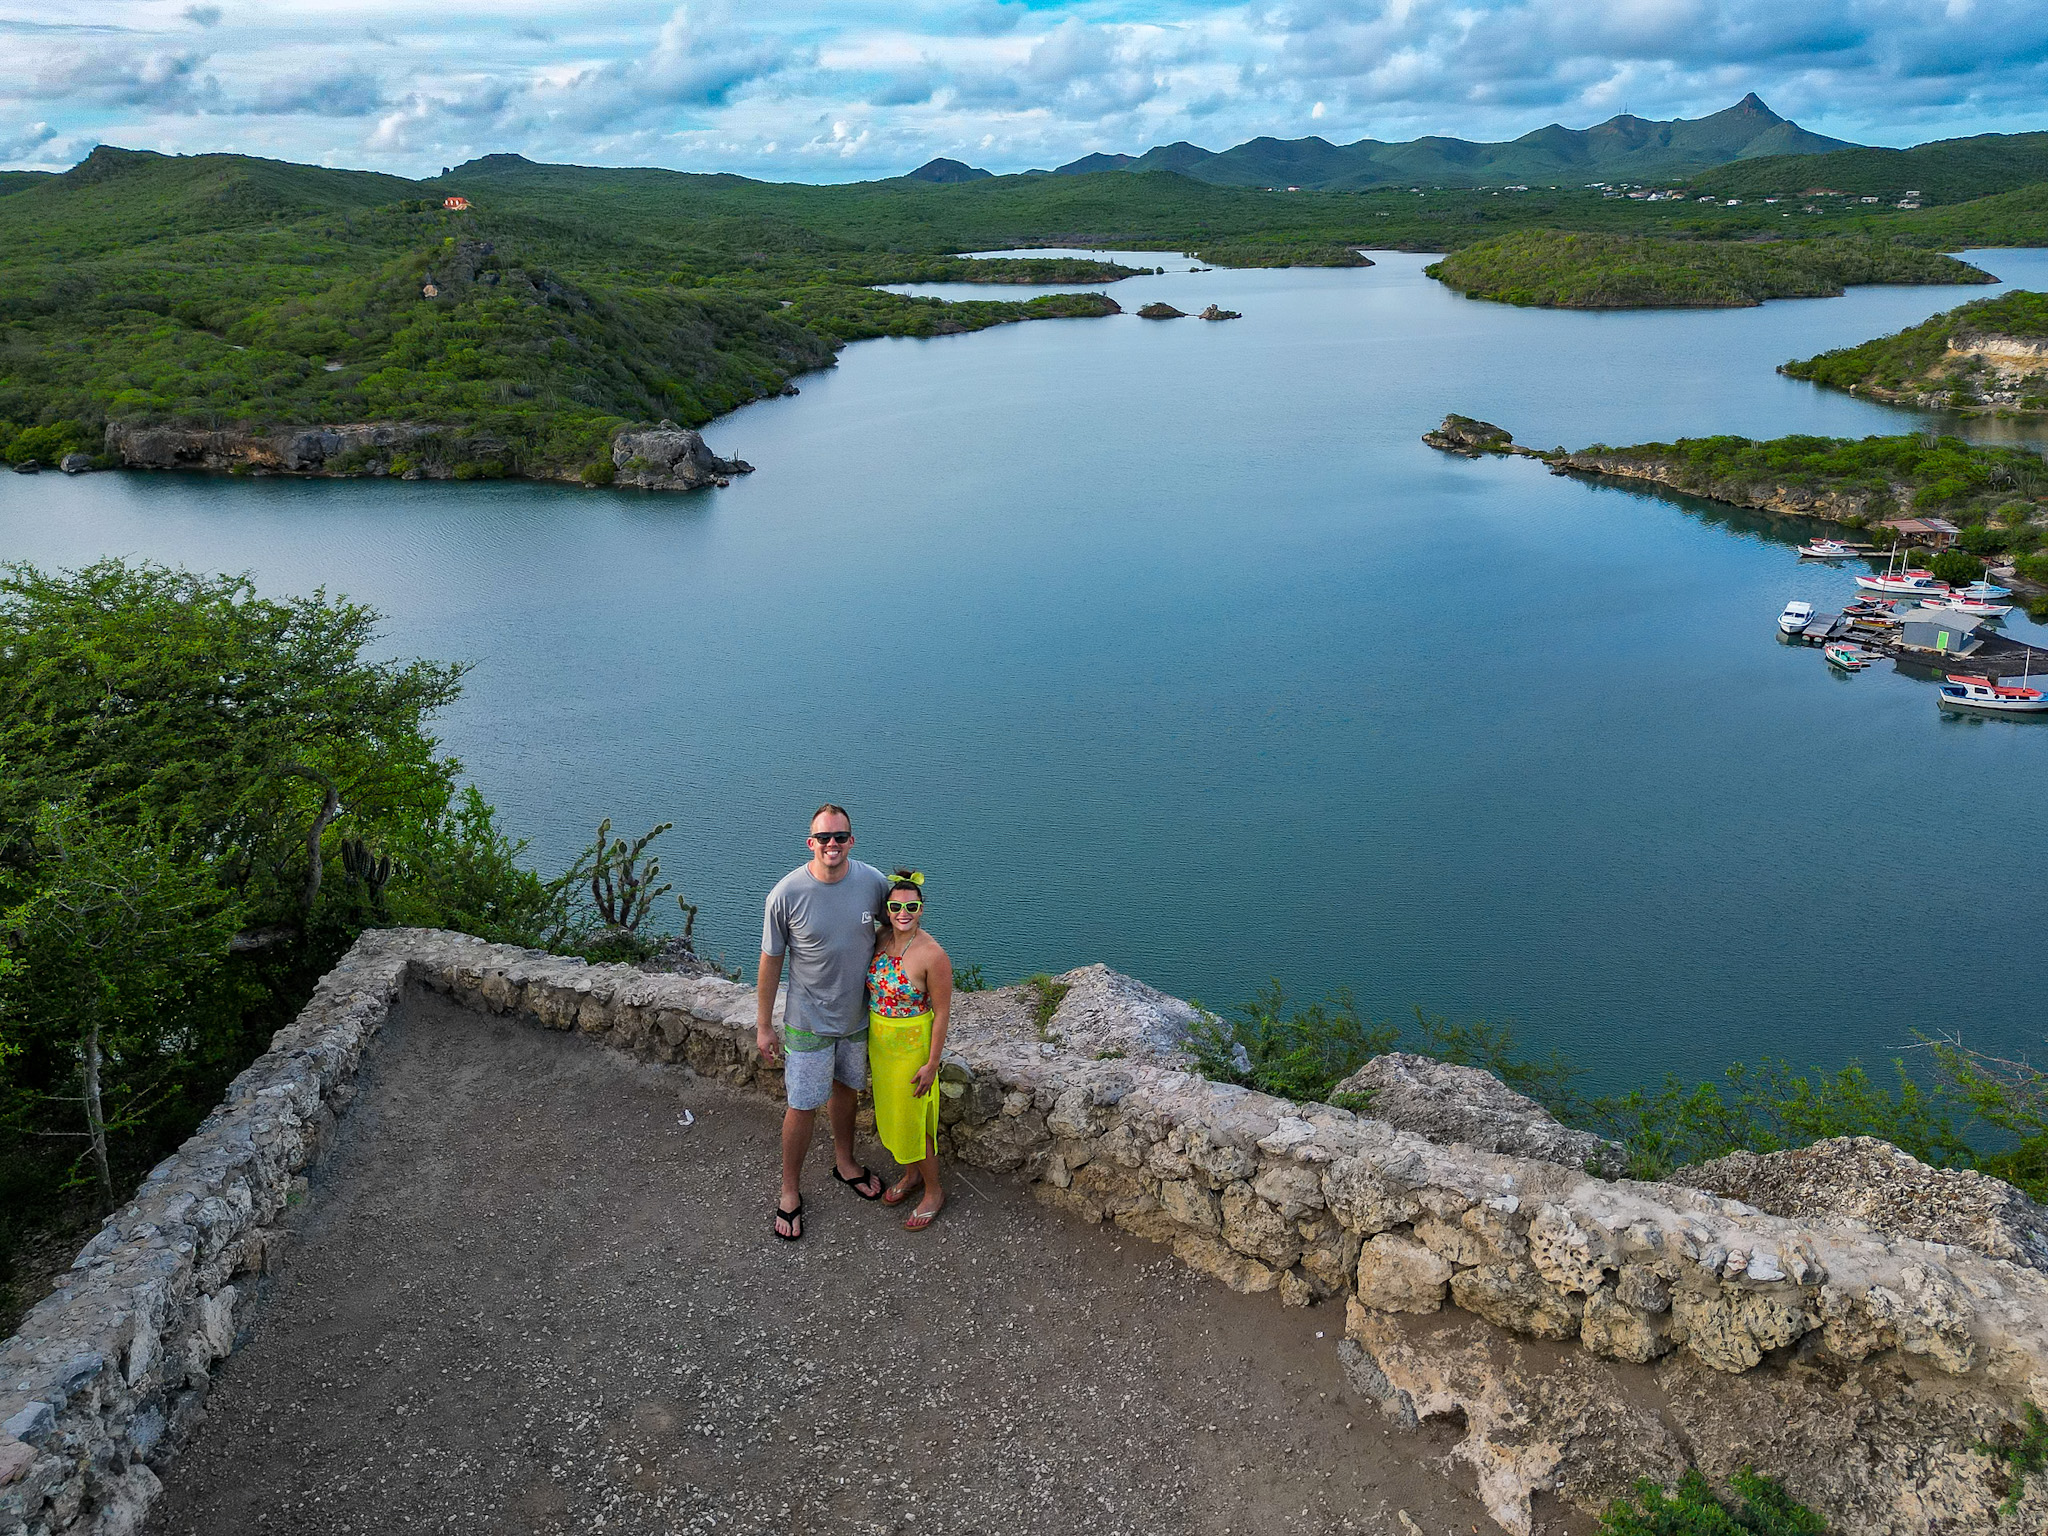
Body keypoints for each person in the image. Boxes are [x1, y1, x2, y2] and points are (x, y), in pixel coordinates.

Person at [757, 804, 890, 1241]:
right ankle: (789, 1189)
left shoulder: (874, 884)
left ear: (852, 840)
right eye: (824, 838)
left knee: (846, 1091)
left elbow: (897, 937)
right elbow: (771, 961)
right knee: (801, 1104)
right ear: (810, 843)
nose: (832, 844)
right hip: (807, 1022)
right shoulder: (787, 893)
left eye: (840, 836)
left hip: (857, 1017)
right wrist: (764, 1024)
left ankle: (845, 1162)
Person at [867, 868, 953, 1230]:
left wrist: (932, 1062)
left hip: (912, 1047)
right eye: (896, 906)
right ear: (886, 909)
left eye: (912, 906)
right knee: (893, 1117)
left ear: (922, 910)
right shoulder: (881, 939)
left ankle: (933, 1191)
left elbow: (943, 1011)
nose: (903, 913)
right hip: (880, 1043)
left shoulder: (932, 954)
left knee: (917, 1123)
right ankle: (911, 1175)